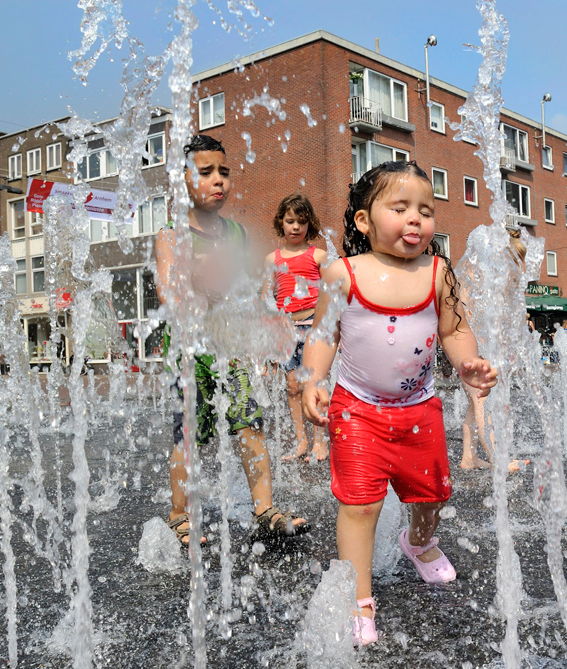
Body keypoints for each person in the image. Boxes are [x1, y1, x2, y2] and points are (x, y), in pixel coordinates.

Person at [301, 161, 497, 646]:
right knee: (360, 505)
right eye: (401, 208)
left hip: (419, 407)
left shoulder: (438, 272)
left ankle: (419, 541)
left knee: (432, 495)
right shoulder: (343, 274)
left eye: (425, 211)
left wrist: (468, 362)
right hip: (357, 408)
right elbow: (324, 335)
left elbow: (454, 329)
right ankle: (358, 598)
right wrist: (313, 379)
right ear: (364, 221)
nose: (416, 219)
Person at [156, 134, 308, 547]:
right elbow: (169, 295)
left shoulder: (236, 234)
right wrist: (197, 282)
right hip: (189, 352)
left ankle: (264, 509)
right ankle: (179, 514)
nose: (218, 179)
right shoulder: (171, 235)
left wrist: (268, 326)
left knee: (249, 421)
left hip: (232, 346)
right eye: (206, 172)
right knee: (188, 433)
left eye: (224, 171)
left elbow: (250, 291)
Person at [265, 193, 329, 462]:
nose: (295, 227)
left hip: (312, 326)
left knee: (313, 384)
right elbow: (266, 297)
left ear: (309, 224)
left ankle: (320, 442)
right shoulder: (272, 259)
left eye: (301, 222)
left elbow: (331, 293)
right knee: (292, 387)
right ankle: (301, 441)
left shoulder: (319, 256)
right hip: (286, 330)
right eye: (290, 221)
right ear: (281, 222)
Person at [460, 227, 528, 472]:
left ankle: (469, 457)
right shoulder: (476, 272)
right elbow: (466, 311)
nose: (519, 265)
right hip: (471, 347)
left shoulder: (485, 273)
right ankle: (499, 459)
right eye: (516, 259)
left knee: (474, 402)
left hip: (475, 345)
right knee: (482, 401)